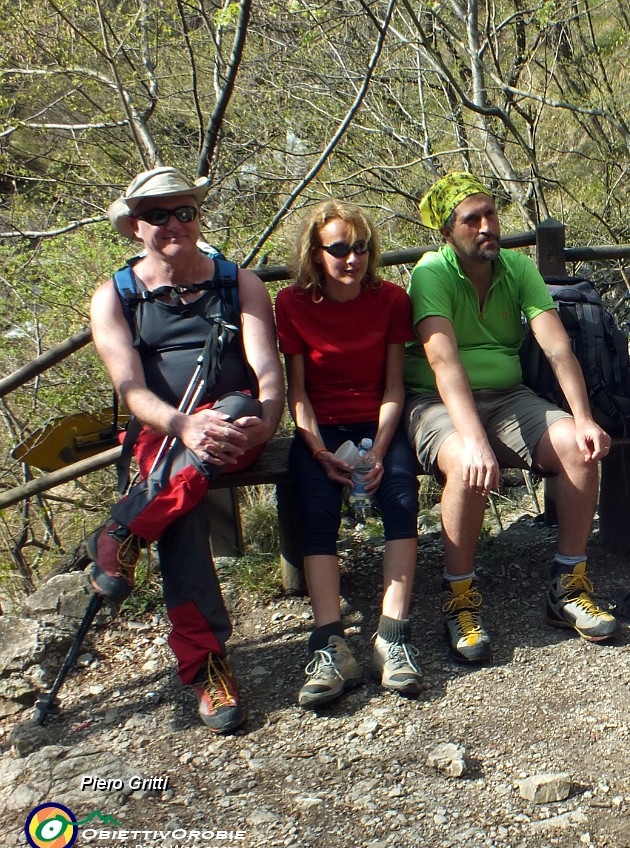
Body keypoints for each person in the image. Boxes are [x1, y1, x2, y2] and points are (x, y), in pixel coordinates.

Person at [88, 167, 284, 733]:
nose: (174, 224)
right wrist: (182, 426)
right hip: (162, 437)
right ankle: (207, 666)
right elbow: (130, 390)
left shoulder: (237, 283)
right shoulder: (115, 297)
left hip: (235, 426)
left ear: (198, 215)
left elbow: (265, 366)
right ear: (133, 227)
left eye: (184, 212)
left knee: (234, 409)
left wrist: (267, 421)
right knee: (181, 511)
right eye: (157, 215)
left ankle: (122, 532)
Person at [404, 172, 618, 663]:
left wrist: (583, 418)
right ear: (446, 231)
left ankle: (567, 586)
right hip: (435, 401)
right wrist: (475, 441)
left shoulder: (518, 268)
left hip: (508, 396)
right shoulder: (431, 274)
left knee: (576, 447)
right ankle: (458, 600)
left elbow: (557, 346)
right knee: (463, 461)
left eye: (491, 214)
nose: (486, 226)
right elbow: (443, 362)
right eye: (470, 218)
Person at [275, 202, 422, 707]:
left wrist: (380, 451)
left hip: (377, 420)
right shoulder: (291, 304)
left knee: (401, 497)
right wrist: (318, 451)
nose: (352, 258)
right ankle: (330, 643)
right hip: (320, 427)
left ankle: (391, 636)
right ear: (315, 254)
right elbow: (298, 393)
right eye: (339, 248)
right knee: (314, 509)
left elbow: (394, 387)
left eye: (360, 247)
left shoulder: (390, 300)